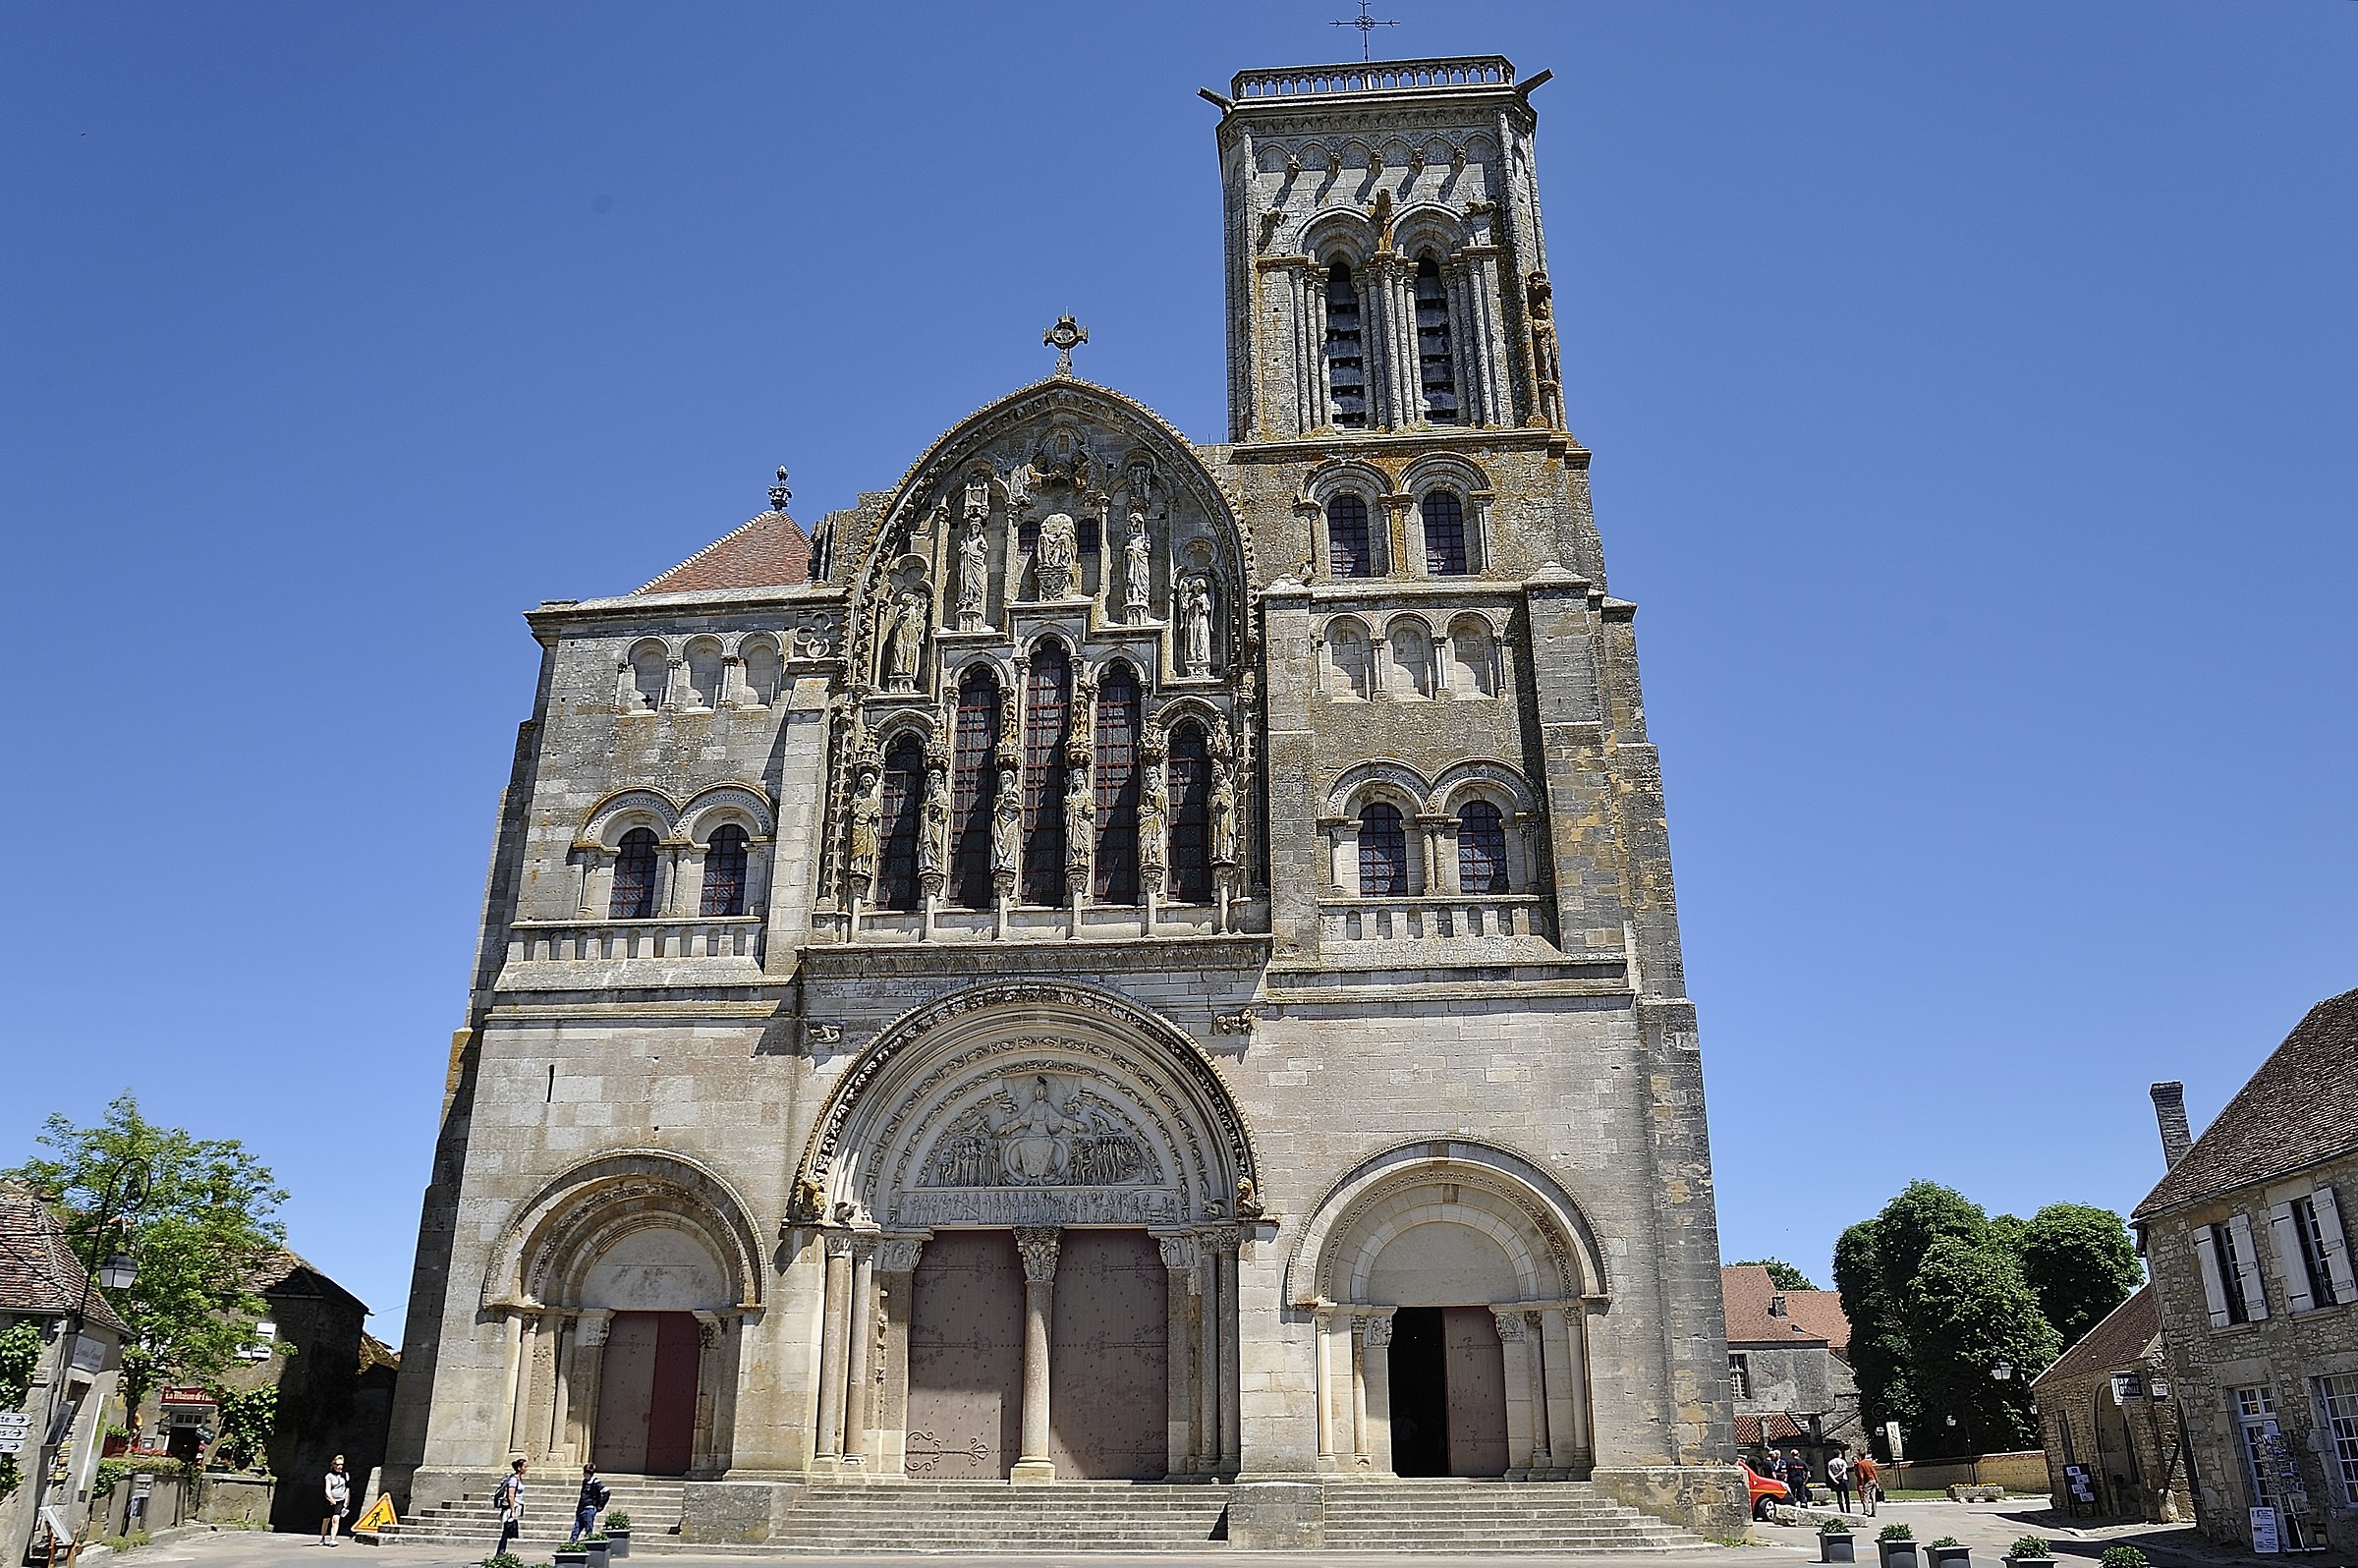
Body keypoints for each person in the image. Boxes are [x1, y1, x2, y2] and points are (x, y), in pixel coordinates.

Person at [568, 1464, 610, 1544]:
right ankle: (572, 1542)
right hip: (582, 1508)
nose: (584, 1475)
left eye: (585, 1473)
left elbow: (606, 1492)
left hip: (589, 1508)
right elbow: (582, 1496)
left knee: (588, 1527)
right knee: (577, 1527)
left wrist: (600, 1505)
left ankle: (588, 1543)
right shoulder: (585, 1482)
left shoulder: (596, 1482)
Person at [493, 1458, 527, 1557]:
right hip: (510, 1508)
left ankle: (501, 1552)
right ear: (519, 1468)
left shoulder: (518, 1479)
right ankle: (500, 1553)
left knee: (508, 1531)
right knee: (507, 1530)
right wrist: (512, 1511)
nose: (526, 1469)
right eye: (525, 1467)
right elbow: (510, 1495)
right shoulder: (513, 1480)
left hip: (515, 1507)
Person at [320, 1455, 350, 1545]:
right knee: (326, 1520)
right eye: (337, 1464)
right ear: (333, 1465)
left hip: (340, 1500)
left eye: (341, 1464)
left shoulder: (345, 1475)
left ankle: (333, 1539)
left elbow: (347, 1488)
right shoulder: (329, 1476)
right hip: (329, 1500)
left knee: (336, 1519)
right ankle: (323, 1537)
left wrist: (346, 1501)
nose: (339, 1466)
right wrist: (331, 1498)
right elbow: (327, 1489)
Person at [1854, 1449, 1881, 1518]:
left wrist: (1860, 1484)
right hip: (1873, 1480)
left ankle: (1866, 1511)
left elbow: (1861, 1475)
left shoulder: (1860, 1463)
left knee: (1865, 1497)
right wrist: (1876, 1481)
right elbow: (1873, 1471)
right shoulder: (1869, 1462)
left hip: (1867, 1481)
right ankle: (1874, 1512)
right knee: (1873, 1497)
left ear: (1860, 1456)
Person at [1828, 1448, 1852, 1513]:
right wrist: (1837, 1476)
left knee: (1839, 1496)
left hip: (1836, 1481)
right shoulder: (1842, 1461)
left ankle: (1842, 1510)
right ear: (1839, 1454)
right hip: (1844, 1479)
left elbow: (1830, 1472)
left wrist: (1834, 1478)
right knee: (1846, 1495)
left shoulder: (1830, 1462)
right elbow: (1843, 1471)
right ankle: (1848, 1510)